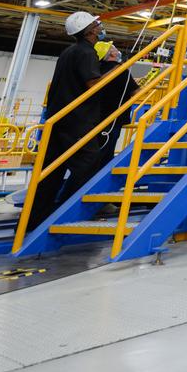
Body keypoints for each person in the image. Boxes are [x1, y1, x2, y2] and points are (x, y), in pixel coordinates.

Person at [26, 12, 121, 229]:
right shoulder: (87, 53)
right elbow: (92, 84)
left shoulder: (68, 52)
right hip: (77, 121)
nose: (100, 26)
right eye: (96, 24)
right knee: (89, 164)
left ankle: (33, 219)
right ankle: (63, 209)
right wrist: (116, 71)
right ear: (90, 31)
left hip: (58, 119)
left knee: (50, 172)